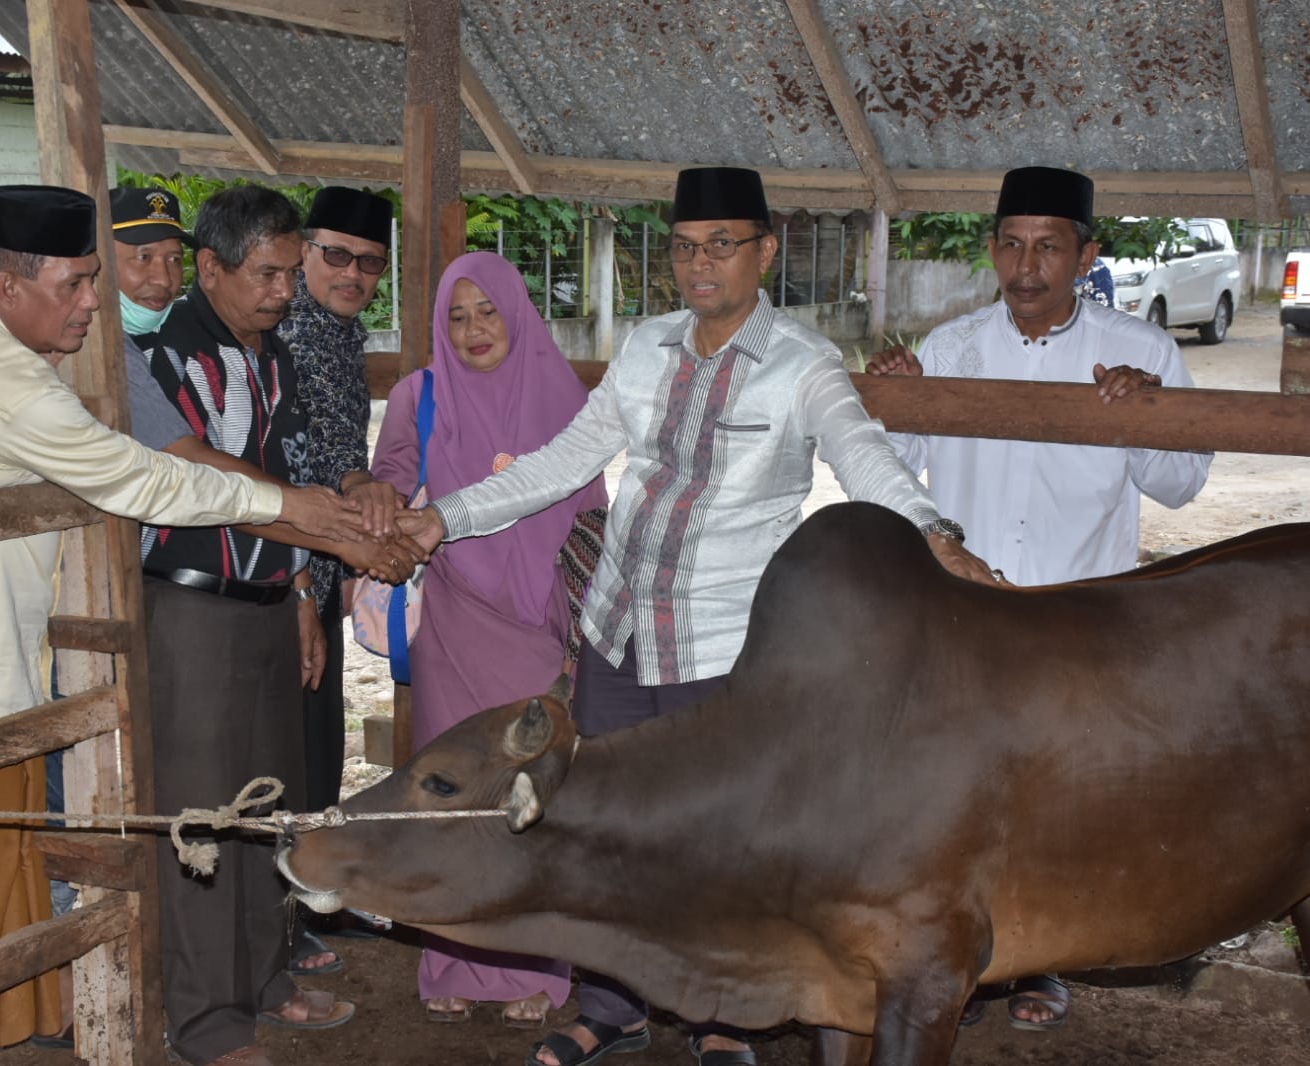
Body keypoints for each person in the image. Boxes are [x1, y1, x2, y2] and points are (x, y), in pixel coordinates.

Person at [400, 166, 996, 1066]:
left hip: (722, 645)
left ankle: (725, 1016)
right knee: (599, 822)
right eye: (683, 247)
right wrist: (446, 515)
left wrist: (934, 532)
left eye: (722, 245)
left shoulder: (803, 365)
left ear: (764, 251)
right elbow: (562, 463)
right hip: (615, 632)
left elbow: (864, 458)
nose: (698, 263)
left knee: (719, 839)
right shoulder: (646, 347)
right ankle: (612, 1005)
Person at [0, 184, 362, 1066]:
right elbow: (144, 480)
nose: (95, 301)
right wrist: (294, 508)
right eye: (74, 283)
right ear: (9, 283)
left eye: (93, 280)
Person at [866, 165, 1212, 1031]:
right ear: (992, 251)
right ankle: (965, 962)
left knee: (1060, 795)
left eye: (1048, 246)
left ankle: (1043, 965)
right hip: (969, 614)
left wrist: (1147, 413)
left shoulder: (1144, 351)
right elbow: (881, 475)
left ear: (1085, 254)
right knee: (964, 792)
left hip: (1079, 617)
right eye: (1011, 244)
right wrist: (895, 398)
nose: (1027, 264)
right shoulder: (950, 347)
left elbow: (1181, 487)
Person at [131, 184, 410, 1066]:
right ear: (208, 269)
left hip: (265, 608)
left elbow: (287, 469)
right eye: (267, 274)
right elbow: (206, 483)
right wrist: (335, 536)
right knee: (203, 820)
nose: (286, 291)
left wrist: (298, 594)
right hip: (191, 610)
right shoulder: (164, 362)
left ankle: (263, 982)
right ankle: (205, 1021)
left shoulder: (273, 358)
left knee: (266, 803)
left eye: (293, 273)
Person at [370, 251, 607, 1030]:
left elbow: (590, 518)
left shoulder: (563, 394)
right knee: (449, 794)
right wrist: (372, 500)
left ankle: (537, 965)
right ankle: (451, 958)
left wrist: (575, 630)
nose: (472, 330)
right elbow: (390, 475)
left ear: (516, 311)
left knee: (532, 798)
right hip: (454, 622)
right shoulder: (418, 394)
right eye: (456, 316)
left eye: (487, 312)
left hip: (538, 631)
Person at [275, 185, 407, 965]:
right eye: (335, 256)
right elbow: (284, 462)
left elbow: (341, 454)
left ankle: (312, 900)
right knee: (279, 750)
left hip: (322, 566)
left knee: (321, 740)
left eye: (370, 263)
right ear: (301, 249)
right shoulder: (279, 325)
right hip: (280, 565)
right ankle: (279, 919)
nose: (352, 274)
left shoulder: (340, 333)